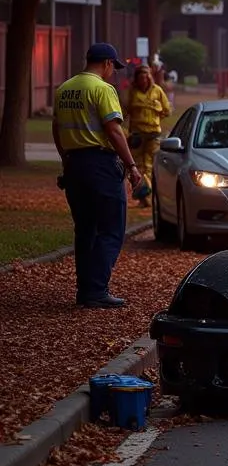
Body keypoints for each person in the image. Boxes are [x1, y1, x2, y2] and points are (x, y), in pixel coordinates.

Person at [52, 43, 143, 309]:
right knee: (111, 229)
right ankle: (96, 290)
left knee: (85, 230)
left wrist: (66, 158)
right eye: (113, 68)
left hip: (74, 166)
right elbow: (114, 131)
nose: (113, 73)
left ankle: (85, 289)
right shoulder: (103, 89)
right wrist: (132, 165)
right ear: (106, 64)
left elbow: (56, 129)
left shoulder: (64, 88)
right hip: (100, 165)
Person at [123, 65, 171, 205]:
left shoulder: (157, 91)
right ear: (136, 79)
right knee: (136, 166)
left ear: (149, 77)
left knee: (150, 165)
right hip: (137, 135)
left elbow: (166, 110)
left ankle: (147, 194)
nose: (143, 80)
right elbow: (126, 110)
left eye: (146, 77)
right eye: (140, 78)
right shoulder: (132, 92)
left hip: (153, 133)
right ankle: (142, 196)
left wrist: (155, 119)